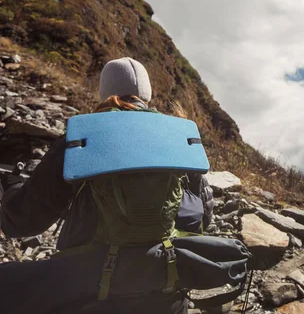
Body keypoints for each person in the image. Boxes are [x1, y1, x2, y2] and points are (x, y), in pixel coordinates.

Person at [0, 57, 215, 314]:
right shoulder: (179, 139)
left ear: (104, 92)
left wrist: (11, 187)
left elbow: (22, 223)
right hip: (167, 291)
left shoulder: (79, 139)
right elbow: (204, 218)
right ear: (147, 95)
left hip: (89, 295)